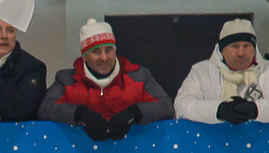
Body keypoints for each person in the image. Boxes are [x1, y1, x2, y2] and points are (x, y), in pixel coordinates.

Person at [42, 20, 173, 141]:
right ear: (84, 56)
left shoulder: (139, 76)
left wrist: (135, 113)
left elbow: (166, 106)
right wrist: (79, 114)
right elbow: (45, 108)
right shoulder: (66, 80)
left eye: (109, 49)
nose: (104, 58)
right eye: (96, 51)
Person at [174, 20, 269, 126]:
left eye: (246, 46)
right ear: (222, 50)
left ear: (254, 49)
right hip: (214, 143)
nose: (241, 53)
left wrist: (256, 109)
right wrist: (218, 110)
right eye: (234, 46)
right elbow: (182, 106)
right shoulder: (201, 72)